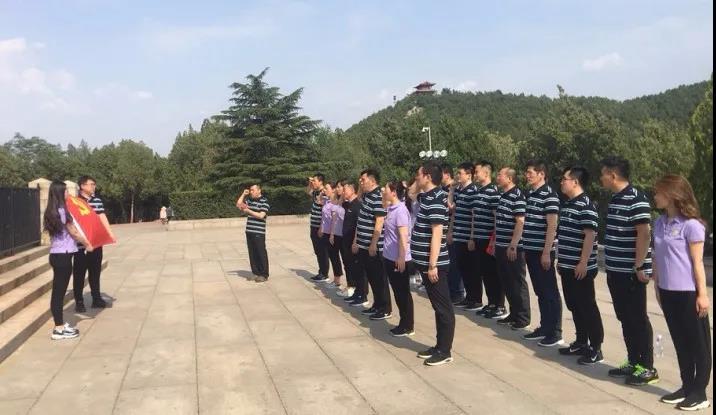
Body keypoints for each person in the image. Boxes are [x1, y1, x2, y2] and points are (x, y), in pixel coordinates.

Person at [652, 175, 711, 411]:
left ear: (672, 194)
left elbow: (697, 263)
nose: (655, 196)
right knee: (680, 342)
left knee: (698, 344)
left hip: (688, 293)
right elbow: (657, 257)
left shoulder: (692, 226)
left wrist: (702, 295)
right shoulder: (659, 223)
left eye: (658, 192)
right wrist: (657, 286)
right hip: (668, 291)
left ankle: (700, 392)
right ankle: (687, 386)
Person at [600, 156, 658, 386]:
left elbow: (644, 234)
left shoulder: (637, 199)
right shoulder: (615, 199)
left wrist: (639, 265)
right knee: (625, 317)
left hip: (631, 272)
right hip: (615, 270)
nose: (601, 178)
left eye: (603, 173)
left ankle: (647, 366)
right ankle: (633, 361)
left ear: (613, 175)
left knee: (637, 318)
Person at [556, 167, 604, 365]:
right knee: (574, 305)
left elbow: (590, 235)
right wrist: (562, 261)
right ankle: (581, 342)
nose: (561, 182)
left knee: (587, 306)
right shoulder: (568, 205)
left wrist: (583, 262)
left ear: (575, 182)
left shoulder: (586, 205)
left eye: (564, 179)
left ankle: (596, 347)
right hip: (567, 266)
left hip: (581, 268)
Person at [412, 161, 455, 366]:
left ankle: (445, 351)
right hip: (426, 264)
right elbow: (412, 192)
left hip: (435, 266)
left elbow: (437, 235)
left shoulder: (437, 199)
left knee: (443, 308)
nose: (416, 178)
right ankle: (439, 346)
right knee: (438, 307)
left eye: (418, 174)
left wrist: (432, 265)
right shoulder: (428, 197)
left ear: (428, 177)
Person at [44, 180, 94, 340]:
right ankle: (58, 329)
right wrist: (87, 244)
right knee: (58, 293)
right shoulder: (62, 212)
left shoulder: (51, 211)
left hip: (57, 255)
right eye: (65, 191)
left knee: (57, 292)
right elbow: (74, 232)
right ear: (60, 193)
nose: (68, 193)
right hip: (63, 257)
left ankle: (59, 325)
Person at [522, 160, 563, 347]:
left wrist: (546, 252)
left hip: (542, 252)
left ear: (541, 174)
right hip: (531, 250)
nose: (527, 175)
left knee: (549, 291)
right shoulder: (531, 194)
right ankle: (545, 326)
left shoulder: (550, 195)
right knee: (540, 291)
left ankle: (555, 331)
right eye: (527, 172)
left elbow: (552, 225)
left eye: (530, 172)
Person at [494, 167, 530, 330]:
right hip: (501, 246)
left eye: (500, 175)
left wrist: (513, 245)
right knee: (506, 281)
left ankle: (523, 317)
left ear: (509, 178)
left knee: (517, 282)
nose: (497, 177)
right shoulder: (503, 196)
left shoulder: (518, 196)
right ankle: (514, 313)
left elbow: (520, 222)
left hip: (513, 248)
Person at [352, 169, 391, 320]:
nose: (360, 182)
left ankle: (385, 308)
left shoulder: (378, 197)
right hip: (364, 244)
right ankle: (377, 304)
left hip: (373, 246)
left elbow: (379, 221)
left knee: (379, 278)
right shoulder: (367, 196)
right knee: (372, 278)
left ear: (373, 181)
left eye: (363, 180)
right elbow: (358, 198)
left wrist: (373, 243)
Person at [73, 175, 115, 312]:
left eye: (94, 184)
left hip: (96, 243)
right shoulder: (75, 202)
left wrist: (110, 233)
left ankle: (96, 298)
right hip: (80, 246)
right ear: (82, 186)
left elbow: (102, 216)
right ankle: (79, 301)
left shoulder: (97, 201)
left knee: (95, 272)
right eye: (91, 184)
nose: (93, 187)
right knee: (79, 274)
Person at [472, 161, 506, 319]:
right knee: (485, 273)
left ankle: (499, 305)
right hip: (479, 238)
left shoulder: (493, 192)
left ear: (486, 173)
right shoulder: (479, 191)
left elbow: (496, 218)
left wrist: (494, 240)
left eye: (477, 171)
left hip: (489, 240)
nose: (475, 174)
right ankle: (491, 303)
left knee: (494, 274)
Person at [382, 180, 415, 335]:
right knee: (397, 292)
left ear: (394, 192)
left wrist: (401, 257)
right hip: (390, 257)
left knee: (402, 293)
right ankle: (404, 322)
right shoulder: (391, 208)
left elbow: (403, 236)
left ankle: (407, 325)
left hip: (399, 259)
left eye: (386, 189)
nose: (384, 192)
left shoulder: (400, 211)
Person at [448, 162, 483, 311]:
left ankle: (476, 299)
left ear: (469, 175)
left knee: (472, 269)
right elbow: (451, 208)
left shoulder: (473, 191)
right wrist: (451, 189)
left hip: (467, 236)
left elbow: (474, 215)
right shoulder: (459, 190)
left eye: (460, 173)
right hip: (458, 234)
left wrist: (472, 237)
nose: (457, 176)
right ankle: (468, 298)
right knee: (462, 268)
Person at [442, 165, 465, 304]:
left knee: (455, 265)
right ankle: (452, 291)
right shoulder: (450, 189)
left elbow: (451, 209)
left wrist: (450, 231)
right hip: (450, 230)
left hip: (458, 231)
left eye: (459, 173)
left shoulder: (459, 190)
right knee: (449, 263)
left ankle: (458, 293)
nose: (458, 176)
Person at [237, 184, 270, 283]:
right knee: (252, 253)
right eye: (250, 190)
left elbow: (261, 215)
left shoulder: (264, 201)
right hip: (249, 231)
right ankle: (255, 272)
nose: (251, 192)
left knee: (260, 252)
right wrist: (243, 194)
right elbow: (238, 204)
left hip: (258, 232)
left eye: (253, 190)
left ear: (259, 190)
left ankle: (264, 274)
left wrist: (248, 210)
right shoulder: (250, 201)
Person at [338, 180, 361, 300]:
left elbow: (358, 225)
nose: (343, 192)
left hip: (353, 241)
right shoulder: (348, 204)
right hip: (346, 240)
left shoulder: (358, 205)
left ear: (352, 190)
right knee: (347, 264)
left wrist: (355, 241)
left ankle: (357, 290)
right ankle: (351, 287)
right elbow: (339, 203)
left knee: (355, 267)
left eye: (345, 190)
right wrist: (343, 194)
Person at [318, 182, 344, 287]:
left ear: (333, 190)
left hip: (332, 233)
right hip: (326, 232)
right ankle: (336, 279)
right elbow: (318, 202)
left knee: (335, 256)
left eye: (326, 188)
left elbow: (334, 219)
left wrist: (332, 234)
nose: (324, 190)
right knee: (332, 256)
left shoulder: (336, 203)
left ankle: (338, 279)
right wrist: (321, 227)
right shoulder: (327, 201)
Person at [307, 174, 329, 281]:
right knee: (317, 250)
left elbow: (325, 212)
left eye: (315, 181)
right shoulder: (315, 192)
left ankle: (324, 273)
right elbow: (308, 192)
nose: (313, 182)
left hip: (320, 227)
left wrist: (322, 227)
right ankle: (321, 271)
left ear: (321, 182)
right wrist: (310, 183)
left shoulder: (324, 193)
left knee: (322, 251)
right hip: (314, 225)